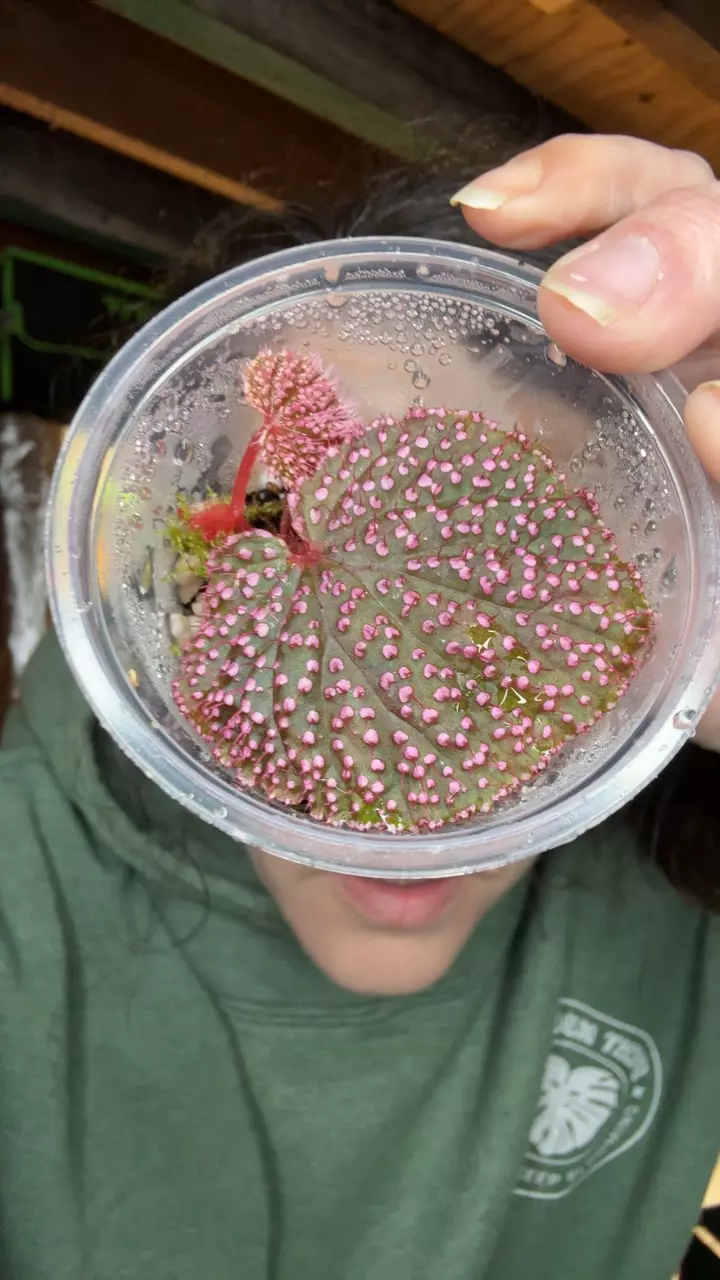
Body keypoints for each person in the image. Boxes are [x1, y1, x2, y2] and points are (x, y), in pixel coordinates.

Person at [1, 133, 719, 1280]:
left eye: (504, 610)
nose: (406, 817)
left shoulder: (687, 890)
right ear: (158, 562)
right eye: (267, 519)